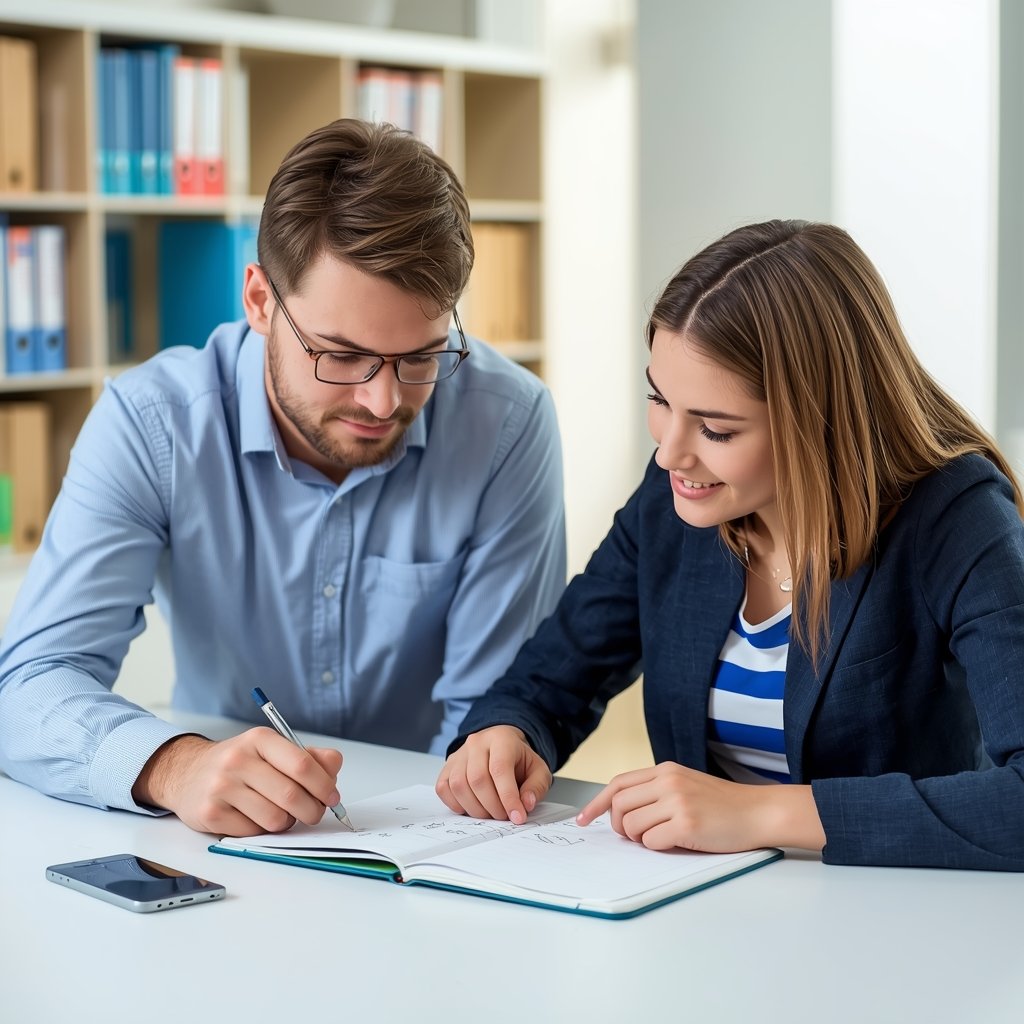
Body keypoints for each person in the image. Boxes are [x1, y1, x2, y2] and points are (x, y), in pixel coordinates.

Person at [0, 119, 566, 838]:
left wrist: (492, 760)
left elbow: (497, 712)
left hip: (428, 837)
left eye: (420, 357)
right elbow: (28, 687)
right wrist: (176, 767)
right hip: (222, 838)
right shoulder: (151, 424)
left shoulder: (508, 423)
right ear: (261, 301)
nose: (382, 401)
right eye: (342, 355)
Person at [437, 218, 1024, 871]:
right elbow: (549, 678)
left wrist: (759, 814)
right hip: (705, 904)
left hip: (896, 909)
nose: (669, 453)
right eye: (660, 400)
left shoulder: (959, 517)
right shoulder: (676, 499)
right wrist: (506, 733)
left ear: (818, 421)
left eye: (715, 429)